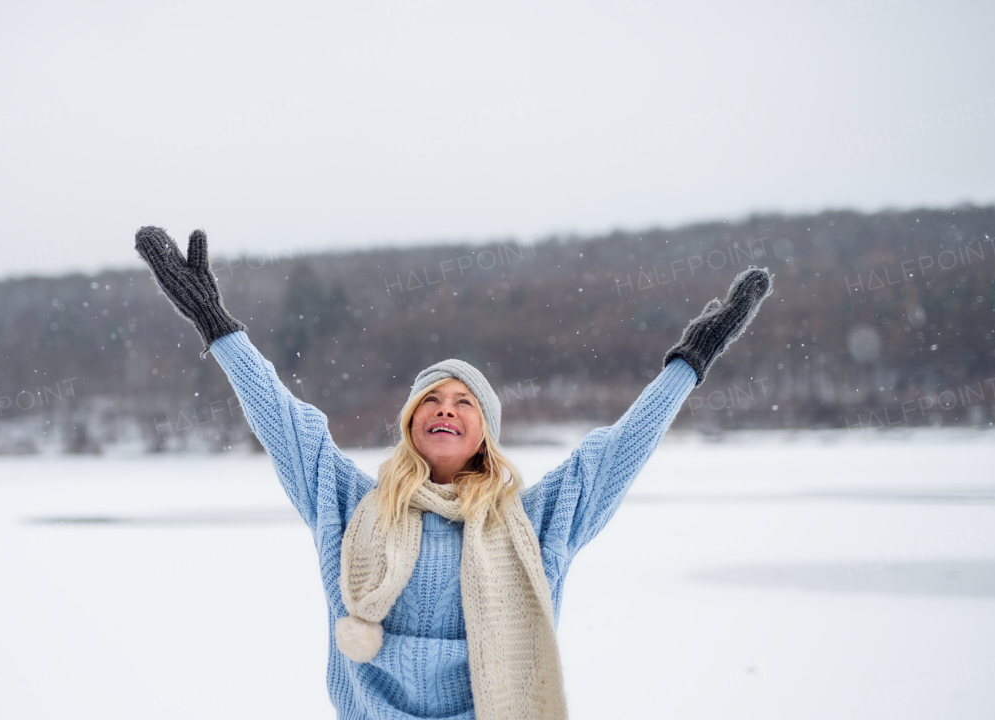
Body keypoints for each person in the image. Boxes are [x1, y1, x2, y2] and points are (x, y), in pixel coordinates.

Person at [135, 227, 773, 720]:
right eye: (432, 401)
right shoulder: (351, 505)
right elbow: (286, 422)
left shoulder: (533, 524)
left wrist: (689, 362)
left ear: (485, 436)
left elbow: (612, 455)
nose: (446, 408)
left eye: (464, 402)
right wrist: (217, 327)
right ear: (412, 422)